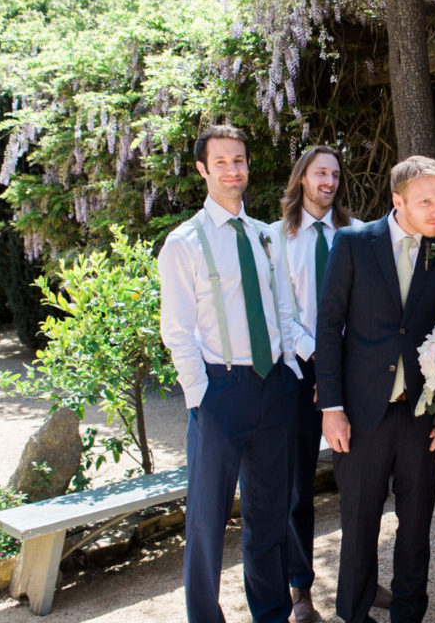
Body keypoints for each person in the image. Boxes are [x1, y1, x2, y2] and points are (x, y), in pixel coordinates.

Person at [158, 125, 303, 623]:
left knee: (268, 514)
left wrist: (290, 367)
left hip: (273, 389)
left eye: (238, 160)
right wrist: (201, 396)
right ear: (202, 169)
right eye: (220, 162)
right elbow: (176, 331)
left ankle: (271, 613)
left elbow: (284, 311)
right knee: (206, 519)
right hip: (220, 391)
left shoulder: (267, 236)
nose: (232, 170)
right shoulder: (184, 243)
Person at [314, 155, 435, 623]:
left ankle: (407, 614)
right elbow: (329, 325)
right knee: (358, 525)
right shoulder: (354, 242)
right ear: (397, 201)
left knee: (417, 524)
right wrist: (332, 408)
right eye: (425, 202)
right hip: (361, 412)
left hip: (420, 412)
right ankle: (354, 614)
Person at [265, 145, 361, 623]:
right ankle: (300, 589)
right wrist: (320, 359)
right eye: (320, 172)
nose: (329, 181)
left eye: (335, 174)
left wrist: (342, 363)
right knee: (299, 485)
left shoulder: (357, 233)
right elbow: (280, 313)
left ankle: (362, 581)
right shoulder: (275, 238)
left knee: (361, 483)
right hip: (300, 373)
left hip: (354, 371)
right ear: (302, 177)